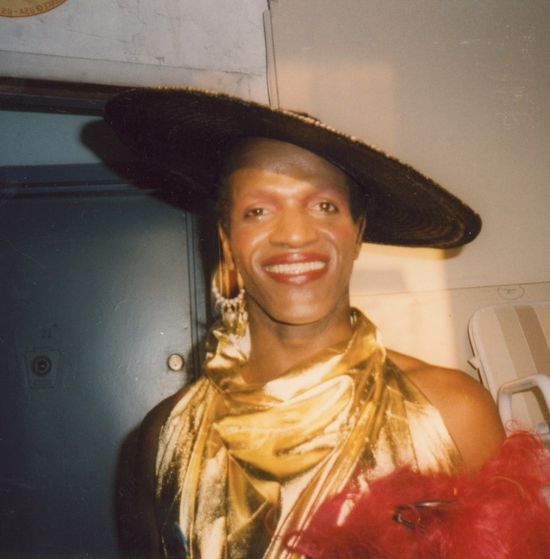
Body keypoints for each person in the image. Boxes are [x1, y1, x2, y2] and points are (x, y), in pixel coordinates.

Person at [105, 88, 506, 559]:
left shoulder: (452, 413)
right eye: (258, 211)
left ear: (357, 232)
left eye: (324, 206)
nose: (294, 234)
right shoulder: (165, 436)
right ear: (228, 241)